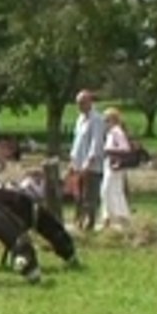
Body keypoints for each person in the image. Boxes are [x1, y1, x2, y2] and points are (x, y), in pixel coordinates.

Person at [68, 89, 106, 231]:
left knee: (89, 196)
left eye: (82, 103)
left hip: (91, 166)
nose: (80, 106)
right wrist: (73, 161)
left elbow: (96, 143)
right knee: (78, 196)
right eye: (78, 103)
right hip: (78, 164)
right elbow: (76, 142)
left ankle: (89, 223)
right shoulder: (80, 119)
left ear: (90, 102)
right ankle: (79, 221)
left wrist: (88, 164)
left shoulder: (97, 119)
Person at [100, 106, 132, 230]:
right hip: (111, 164)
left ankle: (117, 216)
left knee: (107, 190)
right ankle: (112, 217)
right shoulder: (112, 133)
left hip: (115, 164)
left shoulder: (116, 132)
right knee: (113, 190)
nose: (105, 123)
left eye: (106, 120)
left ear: (112, 120)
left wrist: (109, 150)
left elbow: (125, 148)